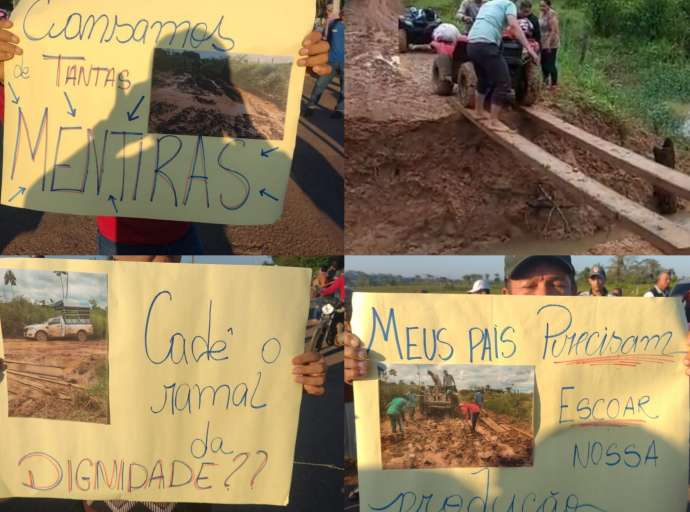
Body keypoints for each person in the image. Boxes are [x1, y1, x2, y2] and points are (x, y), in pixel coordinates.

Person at [0, 22, 332, 255]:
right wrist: (11, 73)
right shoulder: (113, 57)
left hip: (183, 228)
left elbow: (252, 114)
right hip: (121, 239)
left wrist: (290, 62)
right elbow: (28, 106)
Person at [346, 255, 690, 384]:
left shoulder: (614, 342)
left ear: (574, 292)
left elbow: (658, 381)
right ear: (506, 294)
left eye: (556, 284)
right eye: (530, 285)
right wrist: (356, 371)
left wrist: (681, 356)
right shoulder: (475, 345)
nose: (544, 296)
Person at [467, 0, 539, 131]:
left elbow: (493, 24)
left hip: (472, 43)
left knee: (483, 79)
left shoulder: (488, 4)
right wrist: (529, 48)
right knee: (504, 82)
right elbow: (514, 26)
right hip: (486, 44)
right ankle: (494, 122)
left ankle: (478, 112)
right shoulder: (508, 4)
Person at [305, 7, 345, 119]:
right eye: (343, 12)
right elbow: (323, 37)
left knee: (345, 89)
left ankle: (340, 110)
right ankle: (310, 106)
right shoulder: (333, 24)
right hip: (330, 62)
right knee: (319, 84)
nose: (344, 14)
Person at [539, 0, 560, 88]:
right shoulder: (541, 13)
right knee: (543, 62)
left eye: (543, 6)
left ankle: (554, 83)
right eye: (540, 6)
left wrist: (548, 43)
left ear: (548, 6)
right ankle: (545, 80)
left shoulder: (551, 15)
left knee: (550, 63)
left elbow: (553, 31)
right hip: (542, 40)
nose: (541, 8)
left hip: (551, 41)